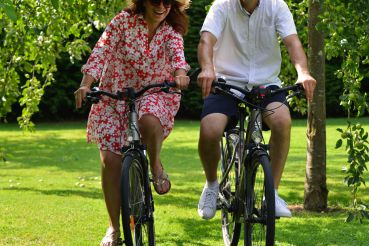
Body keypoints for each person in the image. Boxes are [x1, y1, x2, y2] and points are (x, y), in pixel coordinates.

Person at [74, 0, 191, 245]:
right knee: (110, 161)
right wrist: (86, 83)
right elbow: (100, 52)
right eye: (155, 2)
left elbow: (178, 57)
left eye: (167, 2)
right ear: (142, 2)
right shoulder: (122, 22)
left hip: (155, 92)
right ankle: (113, 229)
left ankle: (155, 165)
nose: (161, 7)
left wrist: (180, 74)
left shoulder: (171, 31)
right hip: (115, 93)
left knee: (149, 118)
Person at [196, 0, 316, 220]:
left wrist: (304, 72)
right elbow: (206, 40)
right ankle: (212, 185)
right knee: (210, 130)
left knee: (282, 122)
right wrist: (207, 69)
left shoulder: (277, 6)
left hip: (266, 82)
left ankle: (273, 193)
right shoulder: (222, 6)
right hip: (227, 81)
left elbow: (293, 43)